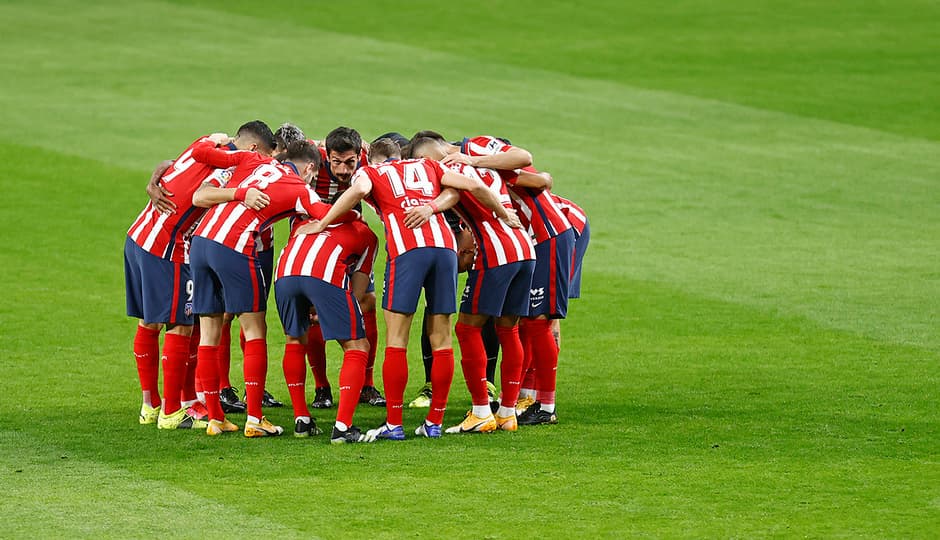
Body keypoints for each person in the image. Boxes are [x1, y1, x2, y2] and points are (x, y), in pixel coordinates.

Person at [297, 138, 520, 441]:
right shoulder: (428, 165)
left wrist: (323, 222)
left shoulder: (372, 173)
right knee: (441, 337)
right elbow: (469, 187)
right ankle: (434, 423)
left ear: (372, 160)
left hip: (408, 250)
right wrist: (502, 214)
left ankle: (394, 424)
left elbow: (360, 191)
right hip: (444, 250)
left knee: (397, 338)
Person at [189, 138, 345, 437]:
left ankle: (215, 418)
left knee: (209, 331)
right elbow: (327, 214)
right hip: (233, 246)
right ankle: (255, 419)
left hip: (201, 242)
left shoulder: (253, 160)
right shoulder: (300, 188)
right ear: (310, 168)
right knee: (254, 329)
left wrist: (219, 141)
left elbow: (200, 153)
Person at [125, 123, 271, 430]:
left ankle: (151, 405)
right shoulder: (231, 172)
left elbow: (169, 163)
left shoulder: (210, 141)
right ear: (253, 150)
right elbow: (199, 198)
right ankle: (171, 411)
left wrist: (154, 181)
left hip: (138, 236)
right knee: (182, 325)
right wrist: (241, 194)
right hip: (166, 247)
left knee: (148, 323)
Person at [410, 137, 536, 433]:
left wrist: (430, 207)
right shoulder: (483, 162)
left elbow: (457, 194)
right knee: (509, 328)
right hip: (524, 249)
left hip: (496, 250)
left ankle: (481, 411)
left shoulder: (448, 167)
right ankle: (507, 413)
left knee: (466, 328)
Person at [275, 214, 377, 443]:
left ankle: (302, 419)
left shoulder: (305, 222)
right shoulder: (368, 234)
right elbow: (359, 290)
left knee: (294, 339)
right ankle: (343, 427)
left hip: (284, 273)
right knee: (358, 345)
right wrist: (331, 312)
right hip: (323, 273)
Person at [305, 127, 385, 410]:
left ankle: (366, 383)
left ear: (359, 156)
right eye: (336, 162)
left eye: (349, 162)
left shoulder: (368, 157)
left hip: (353, 242)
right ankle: (321, 387)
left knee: (367, 301)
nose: (342, 169)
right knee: (312, 313)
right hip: (314, 241)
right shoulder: (312, 153)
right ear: (327, 154)